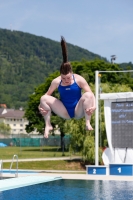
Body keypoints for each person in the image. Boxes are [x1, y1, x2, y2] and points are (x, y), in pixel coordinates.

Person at [39, 36, 96, 138]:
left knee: (88, 95)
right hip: (64, 110)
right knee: (43, 98)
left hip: (78, 111)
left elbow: (92, 95)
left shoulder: (79, 79)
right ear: (60, 75)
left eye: (68, 78)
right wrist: (40, 107)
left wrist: (94, 106)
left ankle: (87, 123)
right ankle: (48, 125)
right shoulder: (56, 82)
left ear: (72, 73)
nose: (66, 80)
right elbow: (46, 97)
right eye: (63, 78)